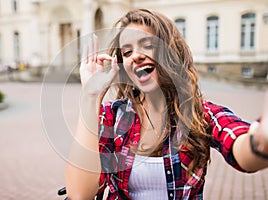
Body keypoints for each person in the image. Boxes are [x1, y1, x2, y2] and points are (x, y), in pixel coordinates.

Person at [65, 8, 268, 199]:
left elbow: (239, 146)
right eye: (127, 53)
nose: (135, 56)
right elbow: (80, 195)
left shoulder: (200, 113)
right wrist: (90, 97)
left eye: (147, 45)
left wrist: (260, 140)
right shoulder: (112, 116)